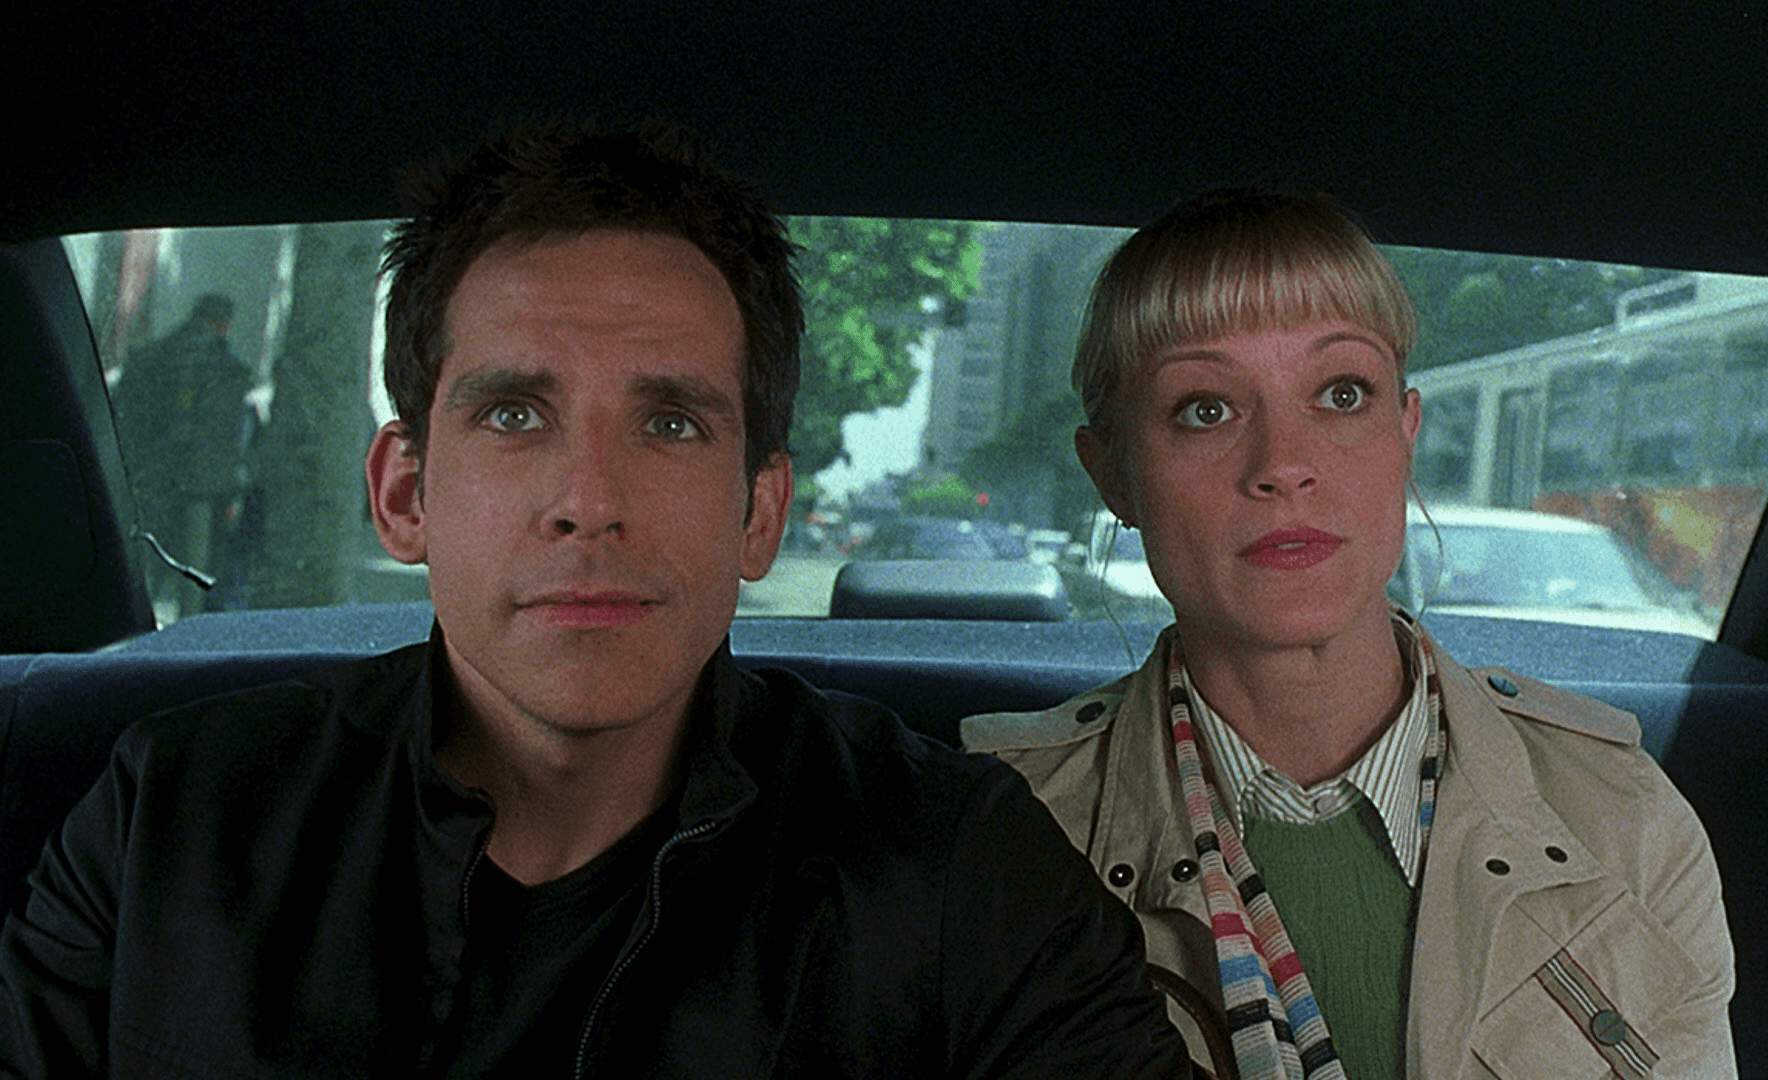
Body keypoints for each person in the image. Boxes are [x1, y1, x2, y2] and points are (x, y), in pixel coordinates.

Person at [0, 122, 1189, 1077]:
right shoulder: (167, 822)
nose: (589, 501)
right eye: (515, 413)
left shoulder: (959, 869)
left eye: (669, 423)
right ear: (405, 493)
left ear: (759, 514)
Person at [963, 188, 1736, 1079]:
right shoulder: (995, 840)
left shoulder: (1624, 819)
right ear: (1112, 475)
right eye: (1205, 409)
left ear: (1405, 433)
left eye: (1341, 394)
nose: (1284, 464)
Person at [110, 292, 254, 618]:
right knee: (194, 579)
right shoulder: (227, 367)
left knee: (145, 571)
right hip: (201, 488)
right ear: (225, 324)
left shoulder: (151, 355)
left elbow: (125, 418)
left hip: (152, 479)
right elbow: (230, 435)